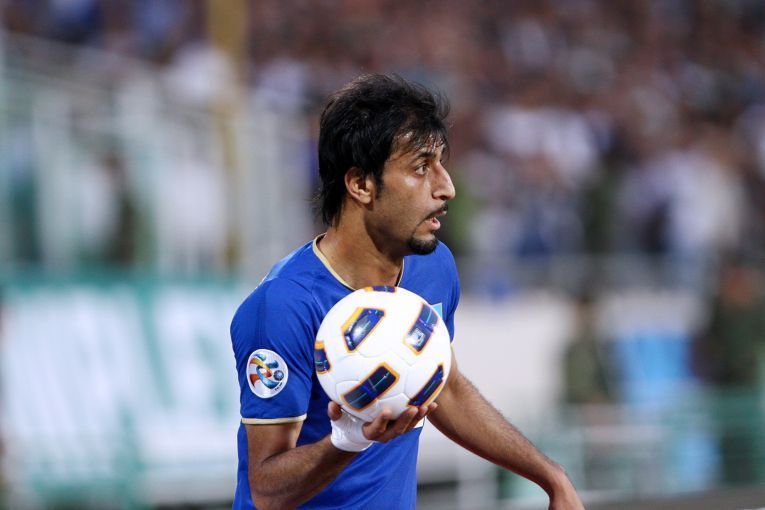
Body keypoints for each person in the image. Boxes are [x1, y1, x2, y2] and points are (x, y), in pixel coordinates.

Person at [230, 74, 584, 510]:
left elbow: (446, 389)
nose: (446, 186)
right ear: (361, 184)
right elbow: (266, 489)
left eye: (441, 164)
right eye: (420, 168)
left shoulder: (433, 268)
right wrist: (348, 439)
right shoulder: (282, 306)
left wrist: (550, 476)